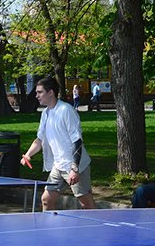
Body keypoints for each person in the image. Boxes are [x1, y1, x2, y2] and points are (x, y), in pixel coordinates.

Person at [21, 77, 100, 212]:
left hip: (76, 166)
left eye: (40, 92)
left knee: (86, 205)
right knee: (46, 200)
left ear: (50, 92)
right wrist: (28, 155)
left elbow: (77, 140)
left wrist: (74, 169)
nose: (36, 96)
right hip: (58, 166)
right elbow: (39, 140)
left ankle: (104, 228)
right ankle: (51, 230)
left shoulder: (66, 110)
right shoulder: (45, 113)